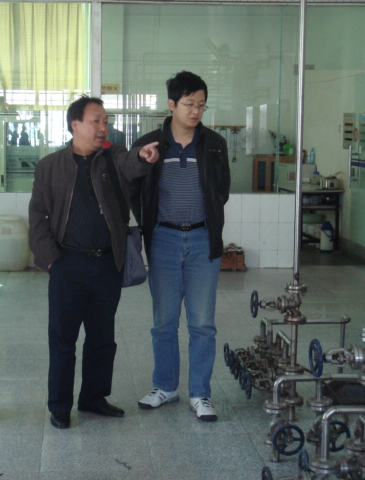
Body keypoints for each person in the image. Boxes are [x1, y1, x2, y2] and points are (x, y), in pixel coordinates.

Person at [29, 95, 159, 429]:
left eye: (106, 121)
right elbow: (38, 218)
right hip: (67, 264)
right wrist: (51, 261)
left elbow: (131, 164)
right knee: (63, 339)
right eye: (96, 121)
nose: (103, 127)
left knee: (102, 337)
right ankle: (60, 406)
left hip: (106, 264)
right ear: (75, 125)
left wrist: (143, 157)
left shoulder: (113, 158)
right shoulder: (50, 166)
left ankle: (94, 398)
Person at [131, 71, 230, 421]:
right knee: (164, 321)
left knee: (202, 322)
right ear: (171, 104)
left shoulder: (214, 143)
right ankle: (165, 386)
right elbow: (134, 187)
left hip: (203, 239)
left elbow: (222, 190)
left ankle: (201, 393)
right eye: (189, 104)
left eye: (201, 105)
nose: (195, 111)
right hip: (164, 240)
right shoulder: (151, 144)